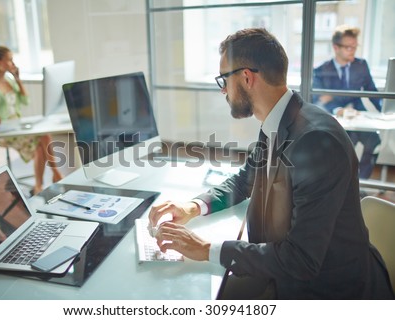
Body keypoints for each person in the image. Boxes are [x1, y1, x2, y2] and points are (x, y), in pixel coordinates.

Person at [148, 28, 394, 299]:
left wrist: (206, 249)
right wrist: (193, 206)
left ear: (246, 77)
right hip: (285, 274)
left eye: (223, 80)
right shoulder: (278, 120)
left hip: (332, 293)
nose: (223, 91)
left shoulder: (316, 141)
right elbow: (246, 180)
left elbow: (301, 260)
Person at [0, 44, 63, 194]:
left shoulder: (10, 80)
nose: (13, 64)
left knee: (43, 137)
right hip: (2, 131)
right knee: (42, 141)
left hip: (17, 125)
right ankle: (54, 175)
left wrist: (18, 79)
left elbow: (25, 101)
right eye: (10, 60)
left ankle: (40, 185)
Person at [312, 25, 381, 179]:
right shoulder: (321, 70)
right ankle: (343, 184)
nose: (353, 51)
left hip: (358, 116)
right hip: (335, 119)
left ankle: (360, 182)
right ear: (336, 47)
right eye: (348, 47)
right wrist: (337, 109)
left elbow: (373, 92)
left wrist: (385, 109)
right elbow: (317, 99)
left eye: (355, 47)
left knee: (375, 142)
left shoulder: (361, 65)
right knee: (344, 151)